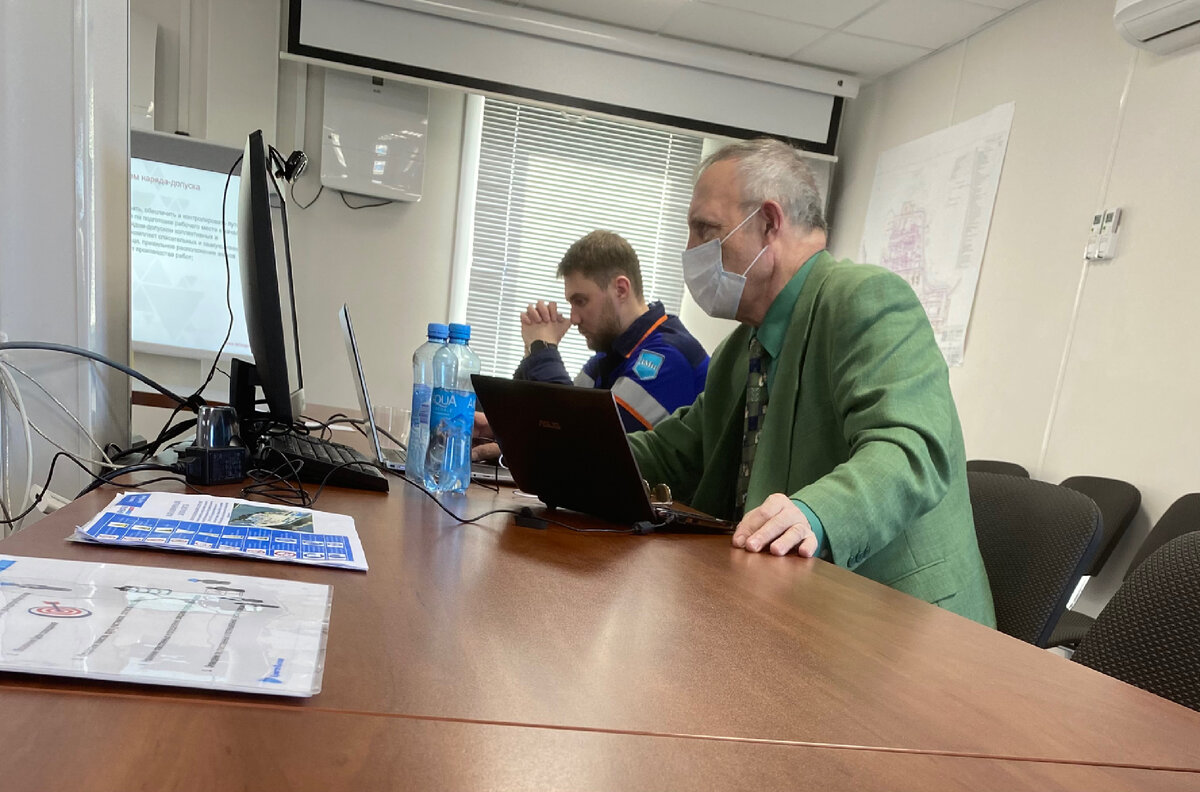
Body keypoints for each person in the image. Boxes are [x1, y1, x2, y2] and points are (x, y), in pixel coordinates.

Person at [628, 139, 995, 627]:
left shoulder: (867, 298)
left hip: (903, 626)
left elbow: (910, 450)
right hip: (789, 606)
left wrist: (814, 514)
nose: (691, 250)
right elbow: (679, 451)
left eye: (706, 229)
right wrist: (565, 445)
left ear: (769, 222)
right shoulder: (742, 347)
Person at [513, 230, 709, 431]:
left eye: (581, 301)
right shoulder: (609, 355)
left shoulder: (667, 357)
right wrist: (532, 351)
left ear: (621, 290)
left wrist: (544, 349)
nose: (574, 318)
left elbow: (584, 437)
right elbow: (546, 420)